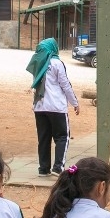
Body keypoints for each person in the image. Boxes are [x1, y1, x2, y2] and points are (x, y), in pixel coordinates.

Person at [26, 37, 79, 176]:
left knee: (43, 138)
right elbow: (65, 85)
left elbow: (37, 85)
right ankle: (58, 167)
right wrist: (74, 103)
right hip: (56, 107)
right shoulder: (57, 63)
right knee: (62, 137)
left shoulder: (38, 62)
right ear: (54, 48)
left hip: (40, 107)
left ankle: (43, 169)